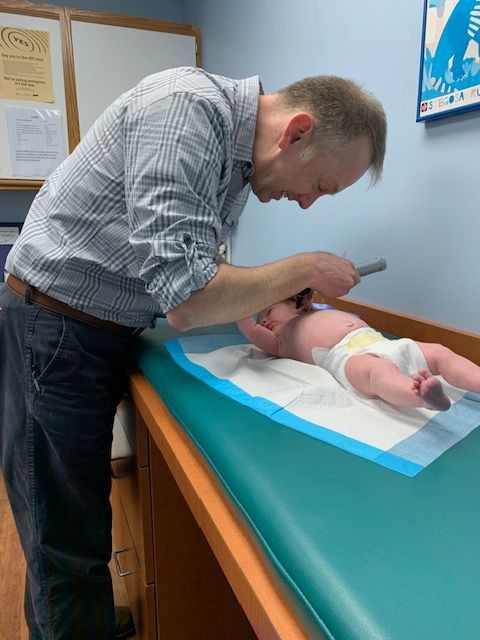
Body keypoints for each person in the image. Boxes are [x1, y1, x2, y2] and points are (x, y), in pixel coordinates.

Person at [0, 66, 386, 639]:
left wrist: (264, 302)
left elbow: (199, 271)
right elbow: (185, 295)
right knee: (63, 535)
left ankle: (86, 621)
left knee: (79, 517)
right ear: (297, 132)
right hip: (56, 328)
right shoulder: (184, 111)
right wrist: (305, 267)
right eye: (321, 186)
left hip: (94, 329)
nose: (306, 204)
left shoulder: (233, 162)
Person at [237, 298, 480, 411]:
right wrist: (238, 306)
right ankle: (421, 397)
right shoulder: (280, 340)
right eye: (261, 319)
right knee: (378, 374)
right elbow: (252, 330)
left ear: (298, 304)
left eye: (269, 311)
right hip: (346, 358)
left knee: (439, 352)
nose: (264, 320)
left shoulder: (315, 311)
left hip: (384, 342)